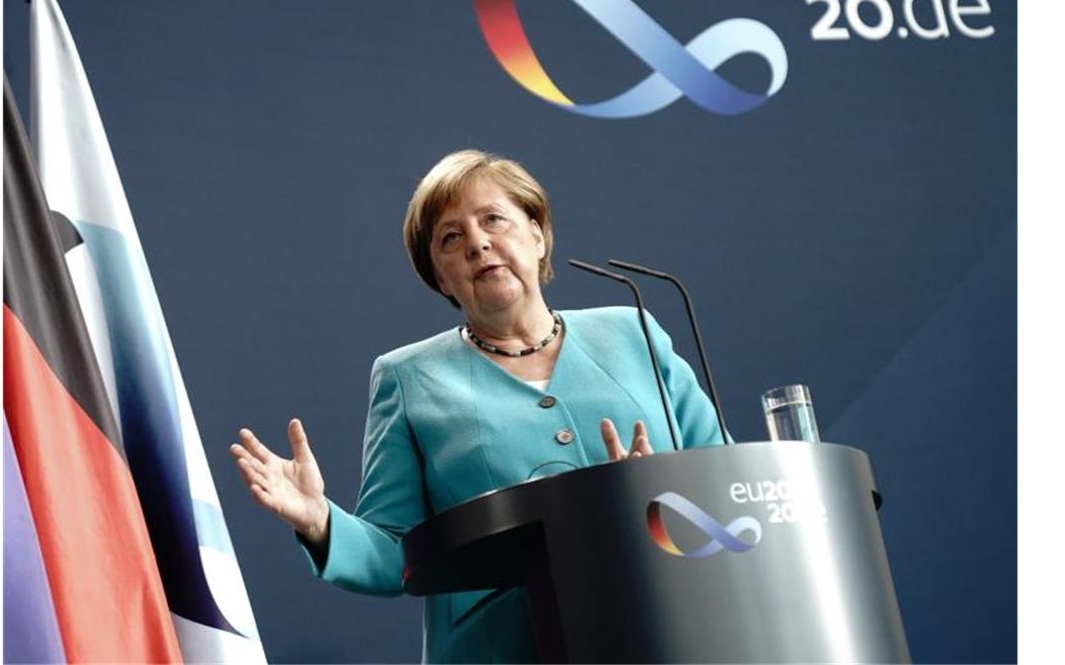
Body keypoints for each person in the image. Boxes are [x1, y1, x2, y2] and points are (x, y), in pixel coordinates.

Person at [231, 149, 725, 663]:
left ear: (536, 235)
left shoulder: (634, 331)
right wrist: (319, 521)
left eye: (493, 219)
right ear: (440, 278)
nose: (478, 243)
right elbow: (395, 551)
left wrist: (653, 492)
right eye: (451, 238)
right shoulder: (408, 377)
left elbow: (725, 477)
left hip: (668, 627)